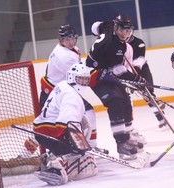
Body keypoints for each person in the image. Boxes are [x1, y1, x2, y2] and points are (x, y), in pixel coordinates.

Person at [86, 15, 147, 160]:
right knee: (115, 101)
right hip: (94, 75)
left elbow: (94, 27)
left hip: (106, 71)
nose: (125, 34)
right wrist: (137, 79)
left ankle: (125, 137)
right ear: (116, 27)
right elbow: (118, 71)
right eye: (122, 30)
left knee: (125, 99)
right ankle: (121, 143)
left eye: (127, 30)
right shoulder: (114, 46)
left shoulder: (108, 25)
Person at [33, 63, 98, 186]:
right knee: (81, 156)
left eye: (86, 79)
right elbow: (67, 123)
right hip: (53, 132)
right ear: (72, 77)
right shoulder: (73, 96)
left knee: (76, 149)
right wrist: (79, 145)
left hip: (42, 130)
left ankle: (50, 158)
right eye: (80, 78)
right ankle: (56, 170)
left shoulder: (62, 85)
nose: (83, 82)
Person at [37, 24, 98, 150]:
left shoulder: (71, 49)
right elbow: (83, 76)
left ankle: (89, 146)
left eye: (72, 38)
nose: (70, 42)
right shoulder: (64, 56)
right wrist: (102, 74)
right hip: (54, 95)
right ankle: (26, 155)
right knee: (49, 127)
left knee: (81, 116)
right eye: (66, 39)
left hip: (59, 91)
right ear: (61, 40)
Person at [127, 32, 166, 128]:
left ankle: (161, 117)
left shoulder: (139, 43)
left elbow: (140, 59)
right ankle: (129, 124)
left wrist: (132, 75)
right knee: (137, 96)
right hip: (128, 73)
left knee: (148, 94)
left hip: (142, 71)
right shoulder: (120, 44)